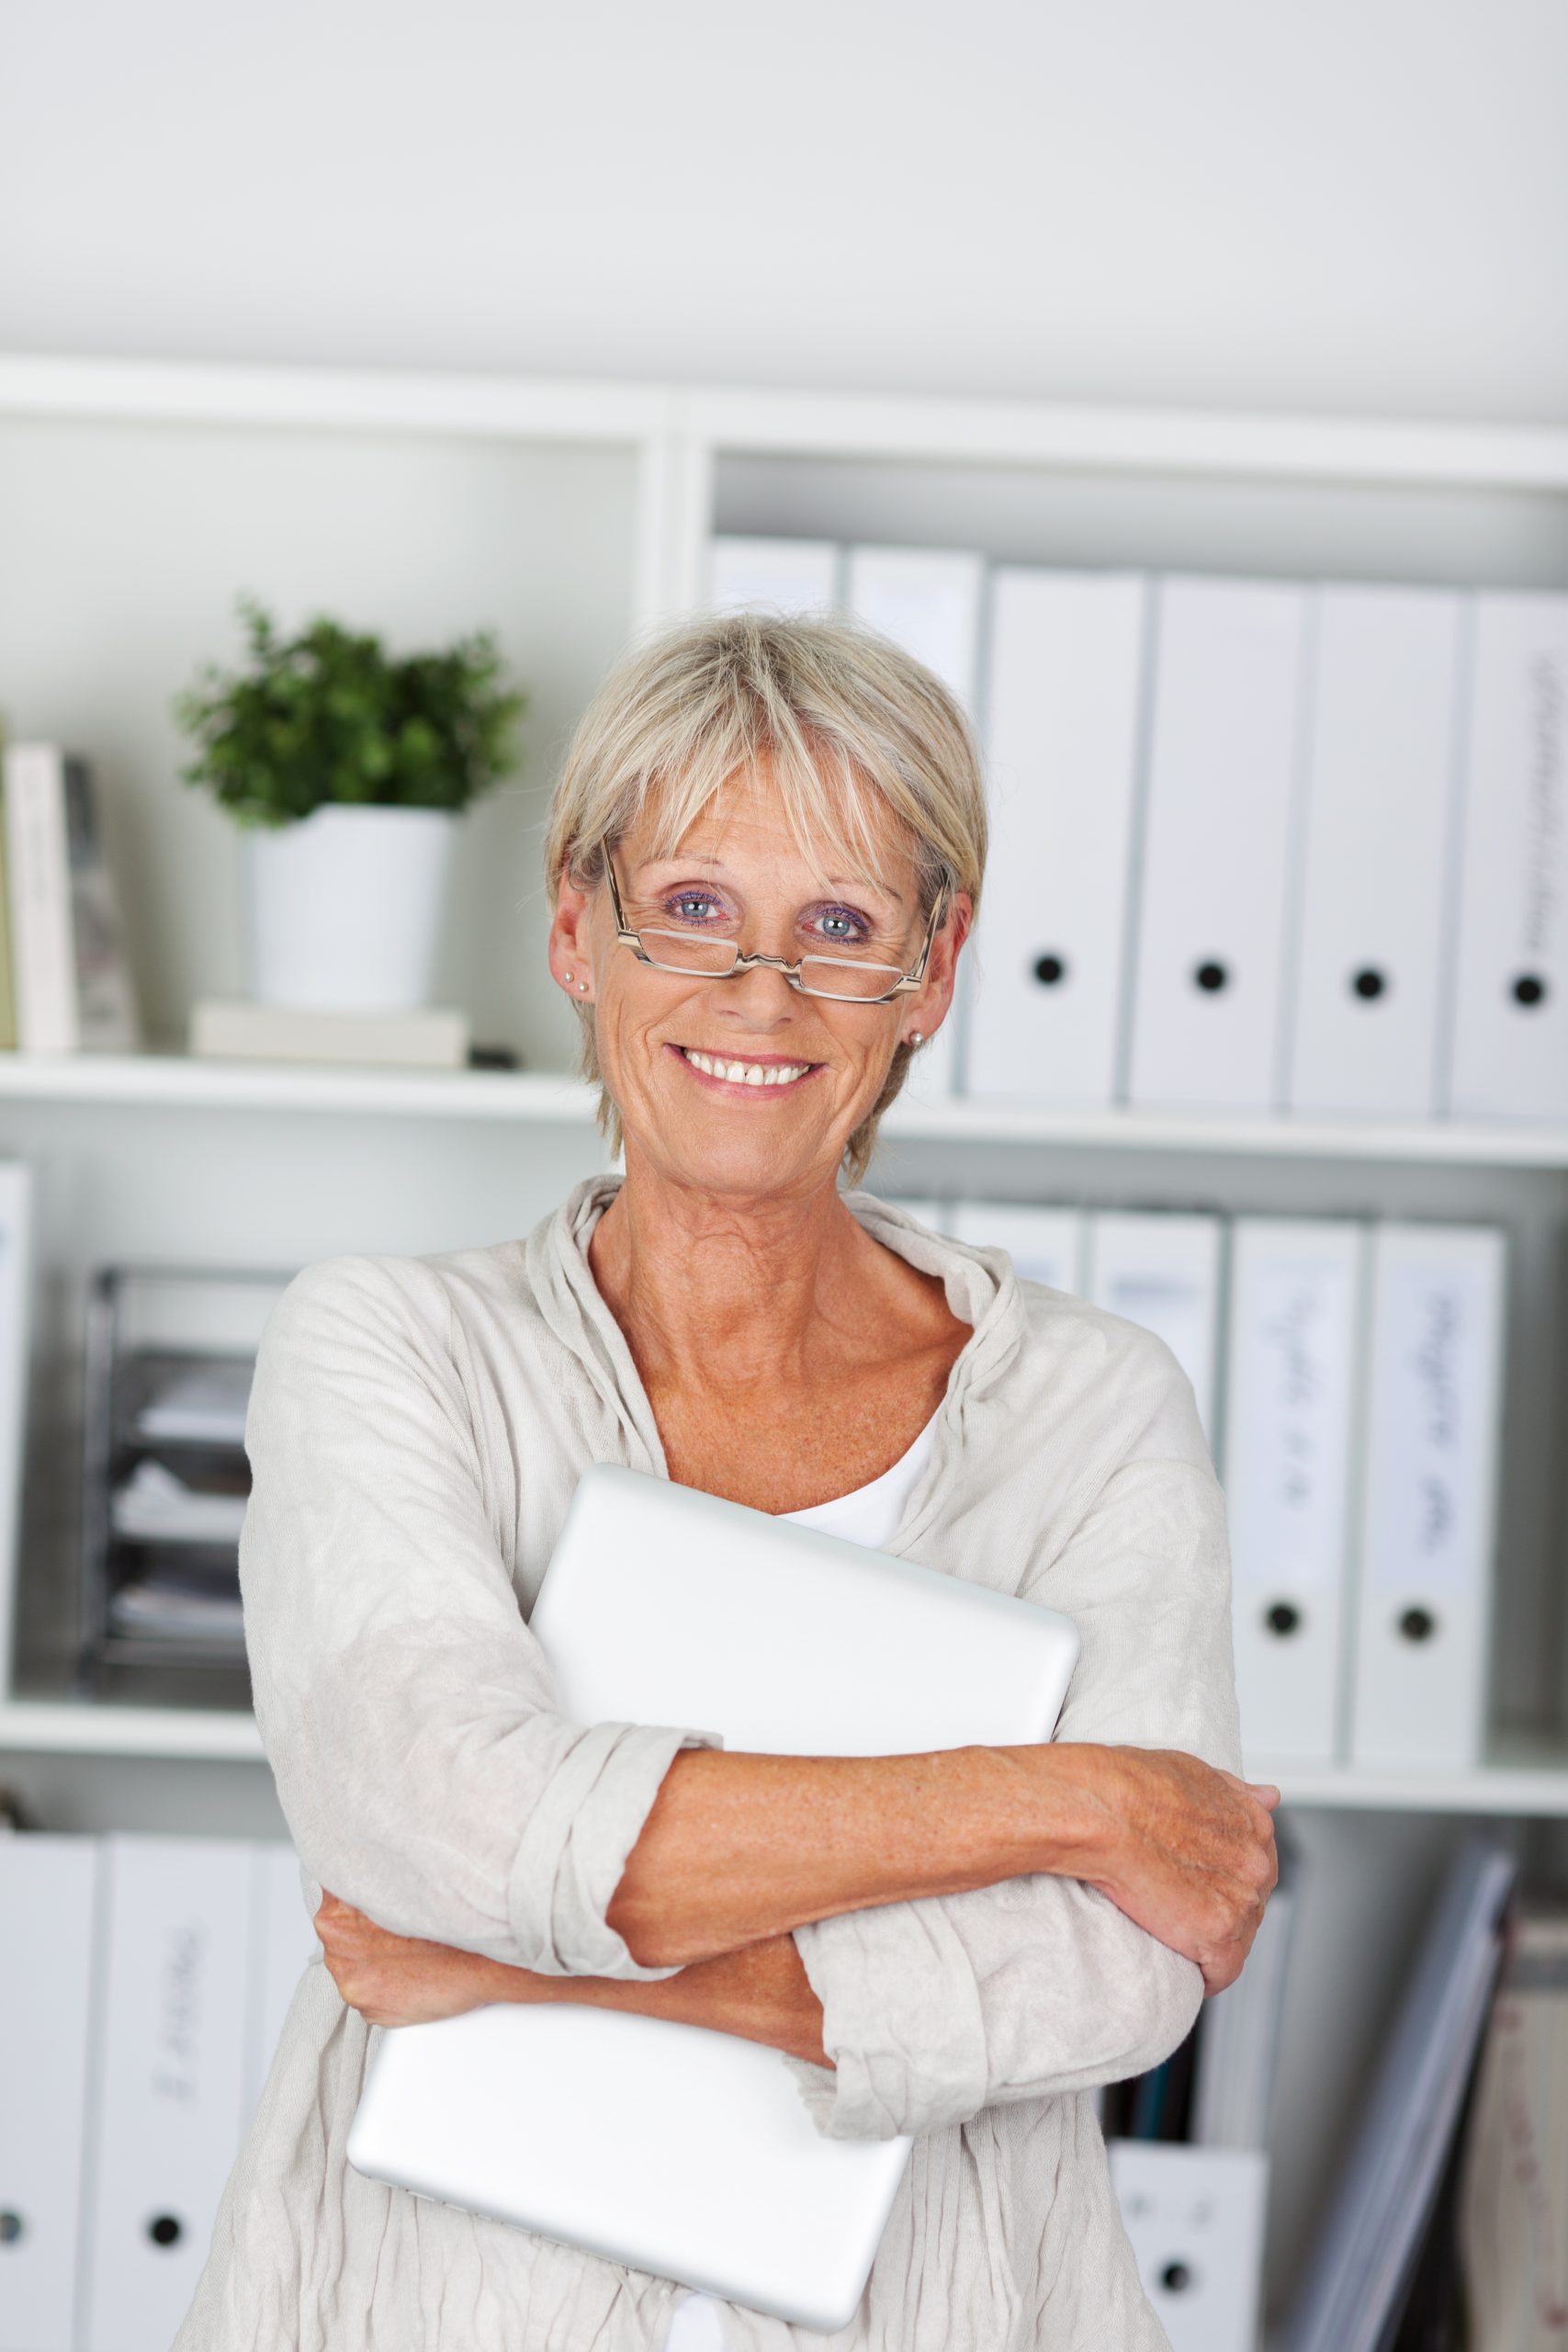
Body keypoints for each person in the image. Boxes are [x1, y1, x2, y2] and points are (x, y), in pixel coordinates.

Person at [176, 612, 1278, 2352]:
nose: (759, 994)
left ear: (932, 966)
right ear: (573, 926)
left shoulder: (1089, 1408)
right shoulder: (390, 1352)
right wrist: (1069, 1796)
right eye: (690, 908)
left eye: (838, 927)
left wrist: (525, 1968)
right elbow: (446, 1819)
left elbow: (1125, 1965)